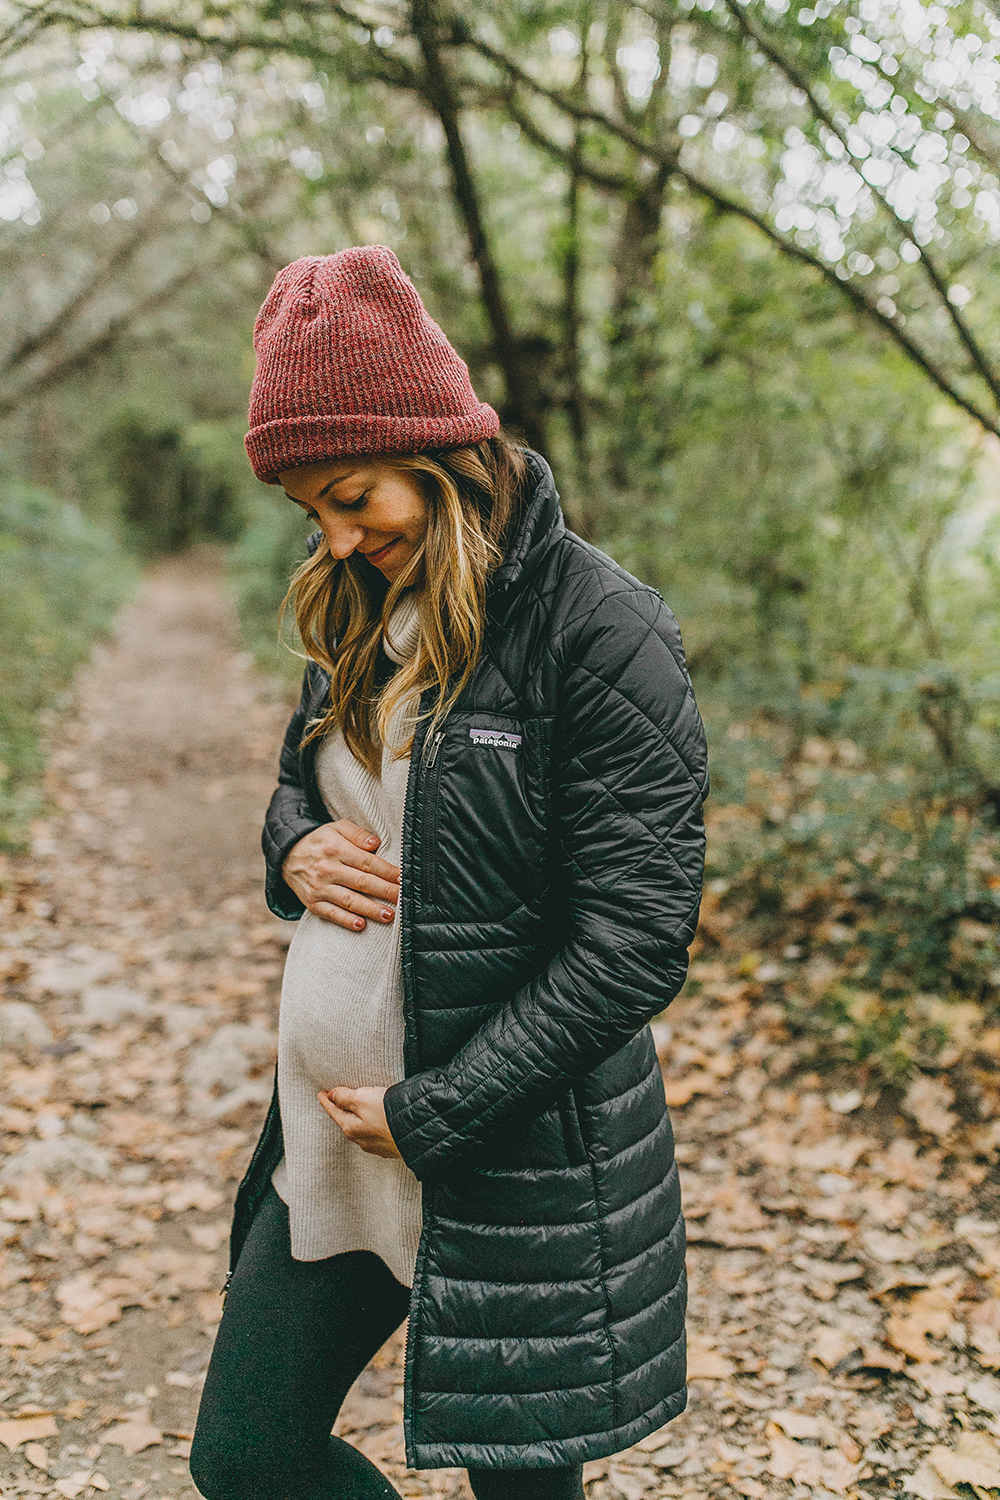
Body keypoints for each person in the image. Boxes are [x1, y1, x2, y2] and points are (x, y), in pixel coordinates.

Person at [189, 245, 708, 1500]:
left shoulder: (600, 626)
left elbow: (635, 937)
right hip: (331, 1146)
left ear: (437, 450)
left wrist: (439, 1111)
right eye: (311, 509)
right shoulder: (356, 609)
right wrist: (291, 846)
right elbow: (301, 787)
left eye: (354, 494)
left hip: (508, 1159)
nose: (336, 535)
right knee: (247, 1459)